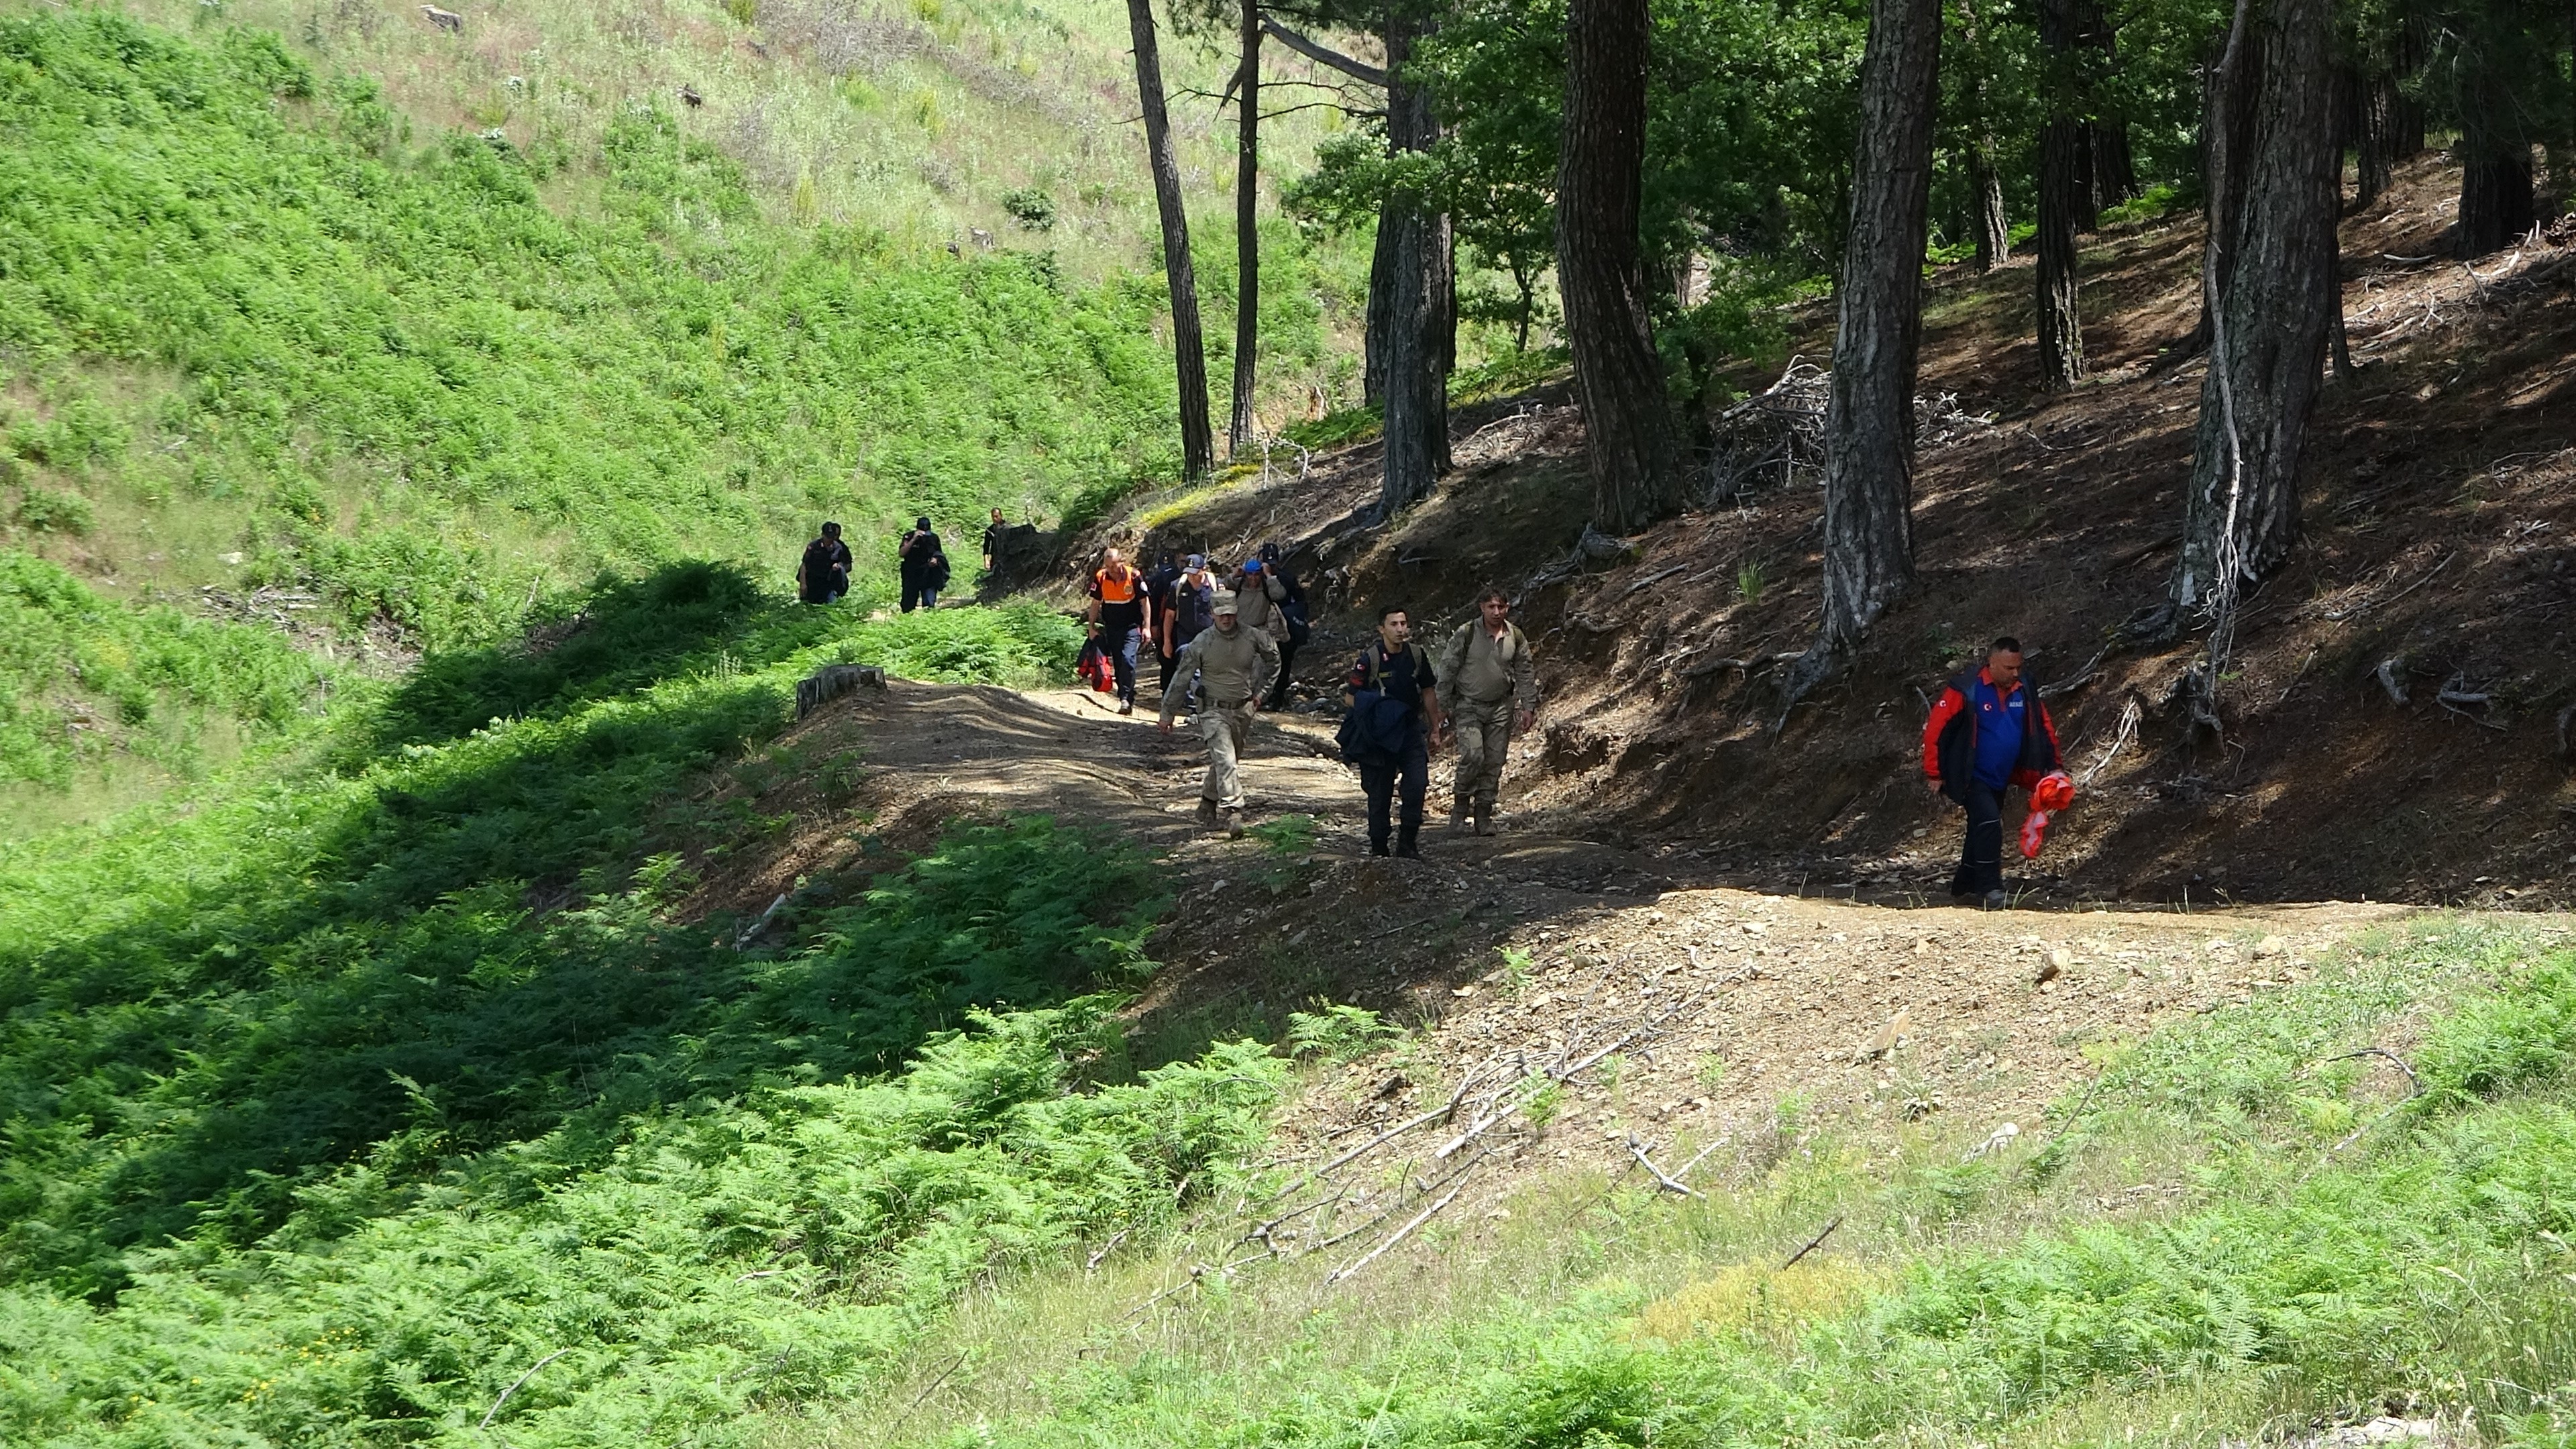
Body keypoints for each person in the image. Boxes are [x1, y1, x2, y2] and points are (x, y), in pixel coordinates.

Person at [1922, 635, 2062, 909]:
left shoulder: (2024, 688)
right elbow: (1935, 730)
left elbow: (2043, 726)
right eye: (2009, 668)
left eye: (2018, 667)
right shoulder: (1967, 689)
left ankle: (1964, 885)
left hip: (2003, 774)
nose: (2015, 673)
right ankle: (1991, 888)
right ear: (1992, 663)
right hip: (1969, 773)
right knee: (1989, 823)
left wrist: (2054, 765)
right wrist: (1934, 772)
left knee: (1980, 827)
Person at [1159, 590, 1279, 836]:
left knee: (1226, 760)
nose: (1227, 619)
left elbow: (1275, 660)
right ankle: (1234, 811)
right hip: (1212, 710)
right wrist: (1167, 711)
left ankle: (1207, 803)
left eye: (1231, 614)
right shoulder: (1202, 643)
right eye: (1221, 614)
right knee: (1225, 759)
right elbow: (1181, 678)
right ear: (1212, 614)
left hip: (1243, 709)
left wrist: (1261, 694)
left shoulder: (1253, 637)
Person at [1342, 604, 1444, 859]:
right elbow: (1350, 698)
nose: (1400, 630)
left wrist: (1435, 728)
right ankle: (1379, 847)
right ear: (1382, 629)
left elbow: (1429, 692)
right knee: (1379, 793)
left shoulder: (1417, 655)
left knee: (1417, 784)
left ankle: (1408, 843)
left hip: (1410, 731)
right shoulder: (1370, 660)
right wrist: (1380, 709)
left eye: (1403, 624)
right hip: (1379, 737)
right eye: (1394, 625)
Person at [1435, 586, 1538, 835]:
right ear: (1481, 607)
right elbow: (1447, 669)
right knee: (1473, 756)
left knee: (1494, 762)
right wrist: (1441, 706)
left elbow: (1525, 671)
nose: (1496, 612)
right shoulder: (1467, 633)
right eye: (1490, 607)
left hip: (1501, 707)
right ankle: (1459, 811)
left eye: (1500, 607)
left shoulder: (1515, 636)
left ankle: (1484, 816)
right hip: (1469, 705)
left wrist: (1528, 706)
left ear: (1507, 608)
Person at [1087, 546, 1152, 715]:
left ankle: (1127, 697)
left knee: (1128, 660)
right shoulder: (1101, 577)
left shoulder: (1134, 576)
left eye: (1114, 565)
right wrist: (1091, 627)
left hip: (1132, 627)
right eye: (1107, 566)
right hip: (1113, 628)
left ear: (1122, 562)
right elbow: (1095, 604)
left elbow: (1145, 603)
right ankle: (1124, 696)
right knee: (1119, 663)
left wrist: (1146, 627)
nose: (1111, 569)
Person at [1158, 553, 1216, 699]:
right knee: (1190, 668)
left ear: (1203, 569)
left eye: (1195, 573)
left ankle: (1206, 707)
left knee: (1208, 672)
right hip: (1186, 636)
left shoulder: (1216, 586)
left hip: (1210, 637)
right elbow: (1170, 615)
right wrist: (1167, 642)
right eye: (1189, 573)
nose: (1191, 576)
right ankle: (1193, 707)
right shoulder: (1177, 586)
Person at [899, 516, 947, 612]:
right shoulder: (908, 537)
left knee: (929, 603)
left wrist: (936, 559)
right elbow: (902, 553)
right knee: (908, 604)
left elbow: (939, 553)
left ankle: (928, 622)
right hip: (911, 574)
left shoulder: (933, 538)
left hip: (928, 574)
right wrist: (914, 540)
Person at [796, 521, 851, 604]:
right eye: (828, 537)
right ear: (823, 535)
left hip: (829, 584)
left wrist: (839, 566)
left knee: (830, 607)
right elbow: (804, 565)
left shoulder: (839, 548)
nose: (830, 540)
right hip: (813, 582)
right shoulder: (814, 547)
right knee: (808, 606)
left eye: (832, 537)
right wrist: (803, 584)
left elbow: (847, 565)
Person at [981, 508, 1008, 577]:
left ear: (1001, 516)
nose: (994, 519)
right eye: (993, 517)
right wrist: (986, 560)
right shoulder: (990, 530)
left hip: (1007, 557)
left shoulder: (1008, 529)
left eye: (996, 516)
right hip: (995, 558)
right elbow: (986, 547)